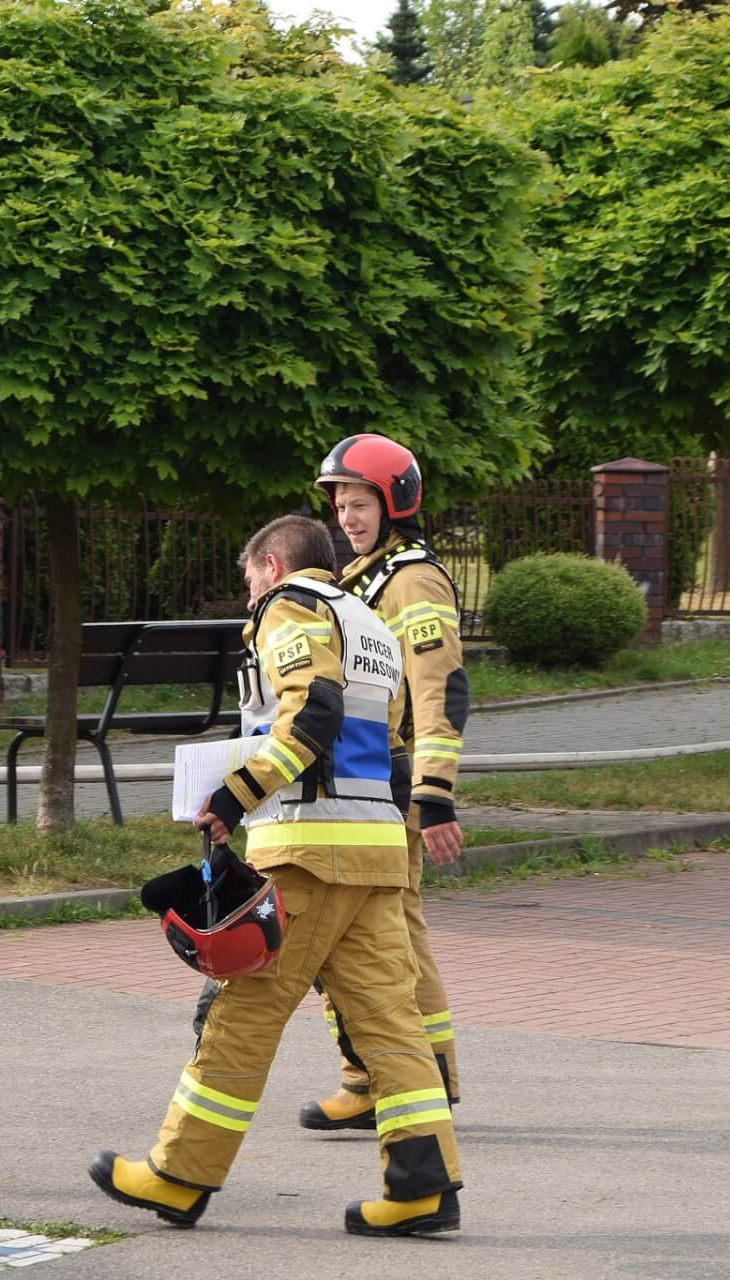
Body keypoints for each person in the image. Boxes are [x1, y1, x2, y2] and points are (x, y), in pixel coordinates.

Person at [89, 515, 463, 1237]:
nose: (248, 593)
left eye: (248, 578)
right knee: (391, 1024)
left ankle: (178, 1175)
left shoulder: (291, 605)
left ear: (271, 564)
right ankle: (422, 1187)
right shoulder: (370, 622)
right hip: (375, 853)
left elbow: (311, 711)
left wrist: (235, 795)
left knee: (242, 1012)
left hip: (306, 853)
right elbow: (387, 747)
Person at [298, 433, 471, 1131]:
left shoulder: (410, 581)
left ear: (394, 502)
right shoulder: (364, 575)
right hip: (360, 781)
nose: (347, 516)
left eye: (360, 503)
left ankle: (386, 1080)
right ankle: (408, 1078)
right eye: (340, 504)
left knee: (370, 937)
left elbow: (439, 689)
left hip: (389, 786)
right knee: (384, 934)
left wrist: (434, 793)